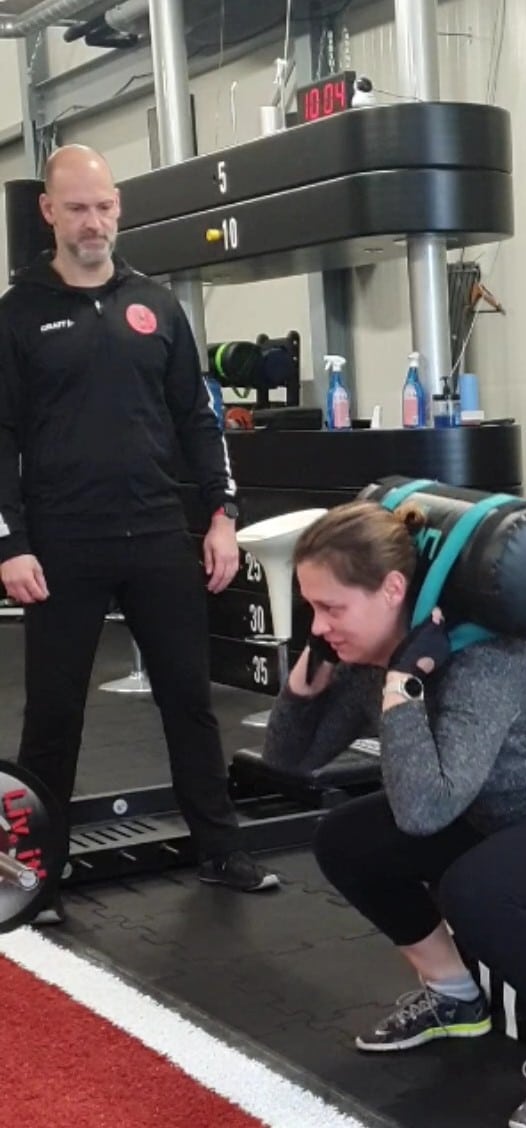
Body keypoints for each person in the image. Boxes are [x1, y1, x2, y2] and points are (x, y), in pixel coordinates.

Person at [262, 499, 526, 1128]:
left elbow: (424, 811)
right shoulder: (372, 659)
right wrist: (304, 681)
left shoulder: (484, 664)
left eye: (332, 608)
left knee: (478, 891)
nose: (320, 626)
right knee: (345, 839)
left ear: (391, 589)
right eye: (312, 608)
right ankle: (455, 998)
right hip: (502, 814)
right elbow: (289, 759)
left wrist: (403, 688)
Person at [0, 145, 279, 920]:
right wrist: (9, 543)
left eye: (104, 207)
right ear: (48, 212)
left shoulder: (156, 305)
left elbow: (198, 418)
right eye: (77, 209)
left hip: (158, 531)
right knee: (54, 714)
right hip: (62, 540)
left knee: (189, 699)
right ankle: (37, 876)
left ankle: (221, 850)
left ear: (118, 208)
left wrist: (222, 516)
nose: (93, 222)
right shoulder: (17, 315)